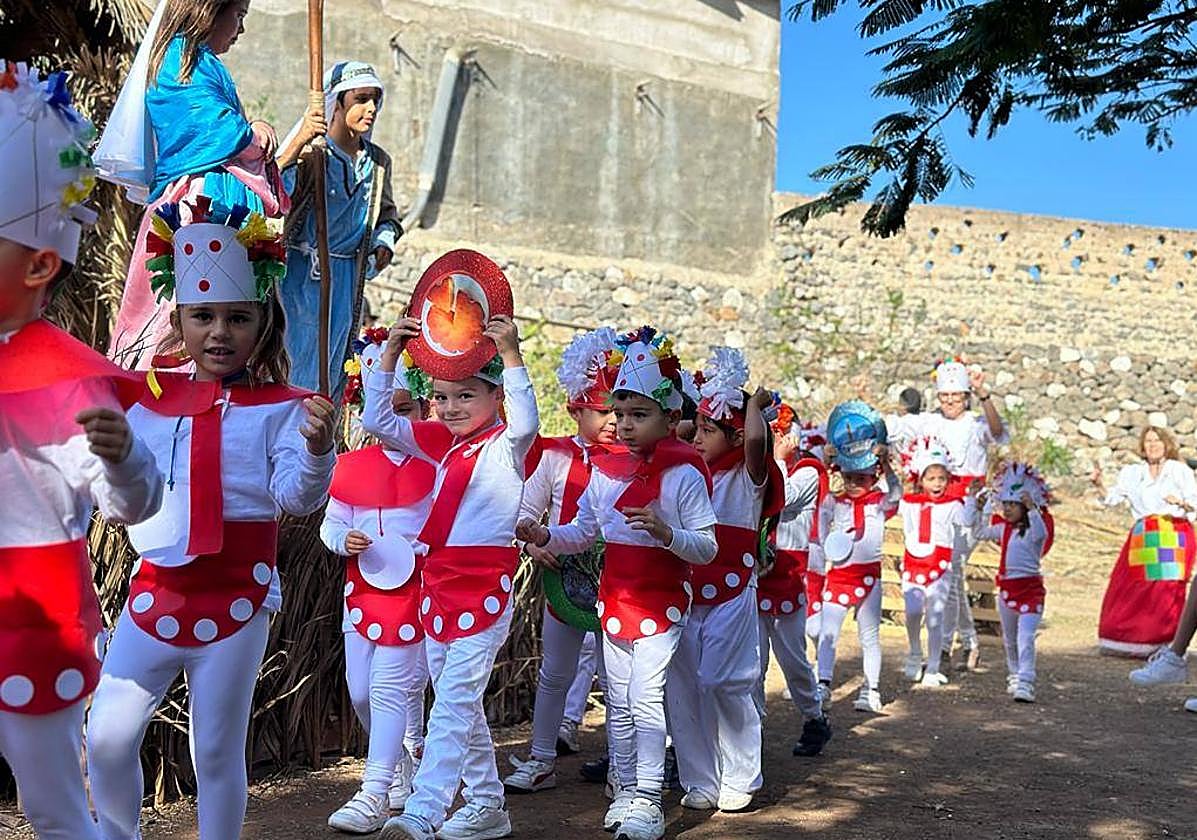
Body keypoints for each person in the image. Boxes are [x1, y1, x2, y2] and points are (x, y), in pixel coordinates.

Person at [86, 196, 337, 840]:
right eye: (203, 317)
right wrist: (113, 459)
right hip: (157, 594)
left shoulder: (283, 409)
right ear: (181, 319)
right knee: (108, 735)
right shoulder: (147, 402)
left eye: (236, 318)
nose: (219, 332)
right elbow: (123, 503)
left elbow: (297, 500)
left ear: (262, 324)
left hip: (237, 601)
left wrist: (315, 449)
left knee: (218, 752)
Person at [0, 63, 164, 840]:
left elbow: (130, 507)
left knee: (53, 807)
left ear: (38, 263)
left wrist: (128, 457)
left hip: (36, 616)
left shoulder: (70, 381)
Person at [518, 326, 716, 840]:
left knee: (646, 698)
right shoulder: (605, 473)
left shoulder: (685, 474)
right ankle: (626, 789)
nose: (625, 426)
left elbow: (707, 546)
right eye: (620, 414)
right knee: (622, 700)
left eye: (638, 415)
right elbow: (582, 532)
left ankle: (648, 797)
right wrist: (543, 534)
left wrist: (667, 532)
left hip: (661, 603)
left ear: (670, 418)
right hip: (616, 602)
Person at [368, 312, 539, 840]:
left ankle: (424, 808)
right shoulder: (440, 444)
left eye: (465, 396)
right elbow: (377, 421)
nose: (450, 407)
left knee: (453, 702)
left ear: (495, 399)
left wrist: (511, 354)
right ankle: (487, 804)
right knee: (457, 701)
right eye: (441, 397)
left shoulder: (508, 446)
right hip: (438, 584)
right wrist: (391, 357)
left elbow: (529, 421)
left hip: (485, 584)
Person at [102, 0, 290, 368]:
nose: (241, 29)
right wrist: (256, 133)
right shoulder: (179, 59)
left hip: (216, 199)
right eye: (238, 16)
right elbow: (217, 129)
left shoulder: (199, 62)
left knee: (227, 309)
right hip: (198, 205)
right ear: (209, 11)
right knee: (188, 310)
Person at [320, 335, 436, 833]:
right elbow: (331, 521)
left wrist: (425, 548)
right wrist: (341, 538)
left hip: (412, 595)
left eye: (406, 409)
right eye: (383, 409)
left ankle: (375, 790)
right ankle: (401, 765)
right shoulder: (348, 468)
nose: (396, 422)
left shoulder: (435, 465)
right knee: (360, 691)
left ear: (423, 406)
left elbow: (445, 524)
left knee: (389, 689)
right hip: (361, 594)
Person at [504, 327, 621, 795]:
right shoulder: (553, 456)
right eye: (602, 410)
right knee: (555, 672)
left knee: (619, 683)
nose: (613, 420)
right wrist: (534, 545)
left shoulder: (637, 461)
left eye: (620, 409)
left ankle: (623, 766)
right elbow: (525, 515)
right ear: (576, 408)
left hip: (622, 588)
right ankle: (541, 758)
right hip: (563, 588)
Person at [668, 348, 777, 813]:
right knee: (685, 685)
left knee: (722, 681)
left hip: (733, 591)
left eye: (710, 431)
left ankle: (740, 775)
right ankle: (701, 779)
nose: (698, 437)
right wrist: (700, 415)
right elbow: (679, 429)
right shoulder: (690, 470)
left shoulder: (747, 475)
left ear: (732, 435)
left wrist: (752, 405)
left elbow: (755, 443)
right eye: (699, 429)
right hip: (688, 590)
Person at [277, 61, 402, 397]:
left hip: (347, 276)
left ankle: (321, 442)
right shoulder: (312, 154)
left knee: (335, 362)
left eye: (375, 99)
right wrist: (301, 141)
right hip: (302, 276)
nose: (371, 108)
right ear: (339, 101)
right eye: (361, 99)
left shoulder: (377, 163)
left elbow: (388, 215)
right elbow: (276, 191)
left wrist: (383, 243)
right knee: (296, 353)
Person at [886, 358, 1009, 672]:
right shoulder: (929, 421)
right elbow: (897, 426)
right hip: (935, 501)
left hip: (967, 504)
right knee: (951, 575)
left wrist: (985, 396)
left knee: (952, 570)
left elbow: (997, 432)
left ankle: (944, 648)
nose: (951, 401)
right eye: (945, 396)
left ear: (965, 396)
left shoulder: (975, 423)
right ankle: (967, 642)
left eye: (956, 396)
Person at [757, 405, 832, 757]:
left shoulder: (809, 471)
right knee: (751, 664)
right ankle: (749, 734)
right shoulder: (755, 469)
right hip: (755, 576)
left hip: (786, 575)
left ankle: (814, 717)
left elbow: (780, 497)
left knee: (793, 660)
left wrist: (778, 459)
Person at [816, 401, 900, 714]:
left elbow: (896, 493)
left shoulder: (880, 503)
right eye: (849, 478)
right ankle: (823, 685)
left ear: (872, 477)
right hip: (838, 575)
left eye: (861, 479)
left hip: (868, 577)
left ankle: (871, 689)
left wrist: (886, 463)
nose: (854, 484)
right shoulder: (834, 503)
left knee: (869, 635)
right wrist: (825, 464)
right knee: (828, 632)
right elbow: (819, 496)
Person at [1092, 427, 1197, 656]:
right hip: (1145, 533)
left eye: (1157, 440)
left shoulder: (1179, 471)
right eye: (1148, 441)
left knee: (1165, 587)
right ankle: (1130, 639)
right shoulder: (1133, 473)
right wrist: (1099, 484)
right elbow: (1113, 498)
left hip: (1172, 532)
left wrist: (1180, 502)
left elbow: (1193, 503)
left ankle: (1166, 642)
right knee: (1135, 585)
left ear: (1166, 443)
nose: (1152, 445)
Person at [971, 464, 1053, 703]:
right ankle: (1014, 674)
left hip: (1031, 591)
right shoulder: (1004, 530)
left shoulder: (1035, 531)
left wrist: (1032, 508)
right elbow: (980, 533)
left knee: (1025, 636)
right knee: (1009, 638)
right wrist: (979, 510)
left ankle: (1026, 680)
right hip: (1007, 590)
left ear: (1024, 506)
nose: (1007, 509)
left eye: (1013, 505)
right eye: (1005, 504)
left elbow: (1041, 532)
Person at [897, 436, 970, 687]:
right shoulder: (908, 503)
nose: (937, 484)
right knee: (914, 611)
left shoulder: (953, 505)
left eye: (941, 478)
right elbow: (900, 516)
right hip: (914, 562)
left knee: (936, 615)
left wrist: (977, 504)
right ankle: (915, 652)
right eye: (931, 478)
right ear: (920, 480)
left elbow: (968, 522)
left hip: (940, 565)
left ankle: (934, 665)